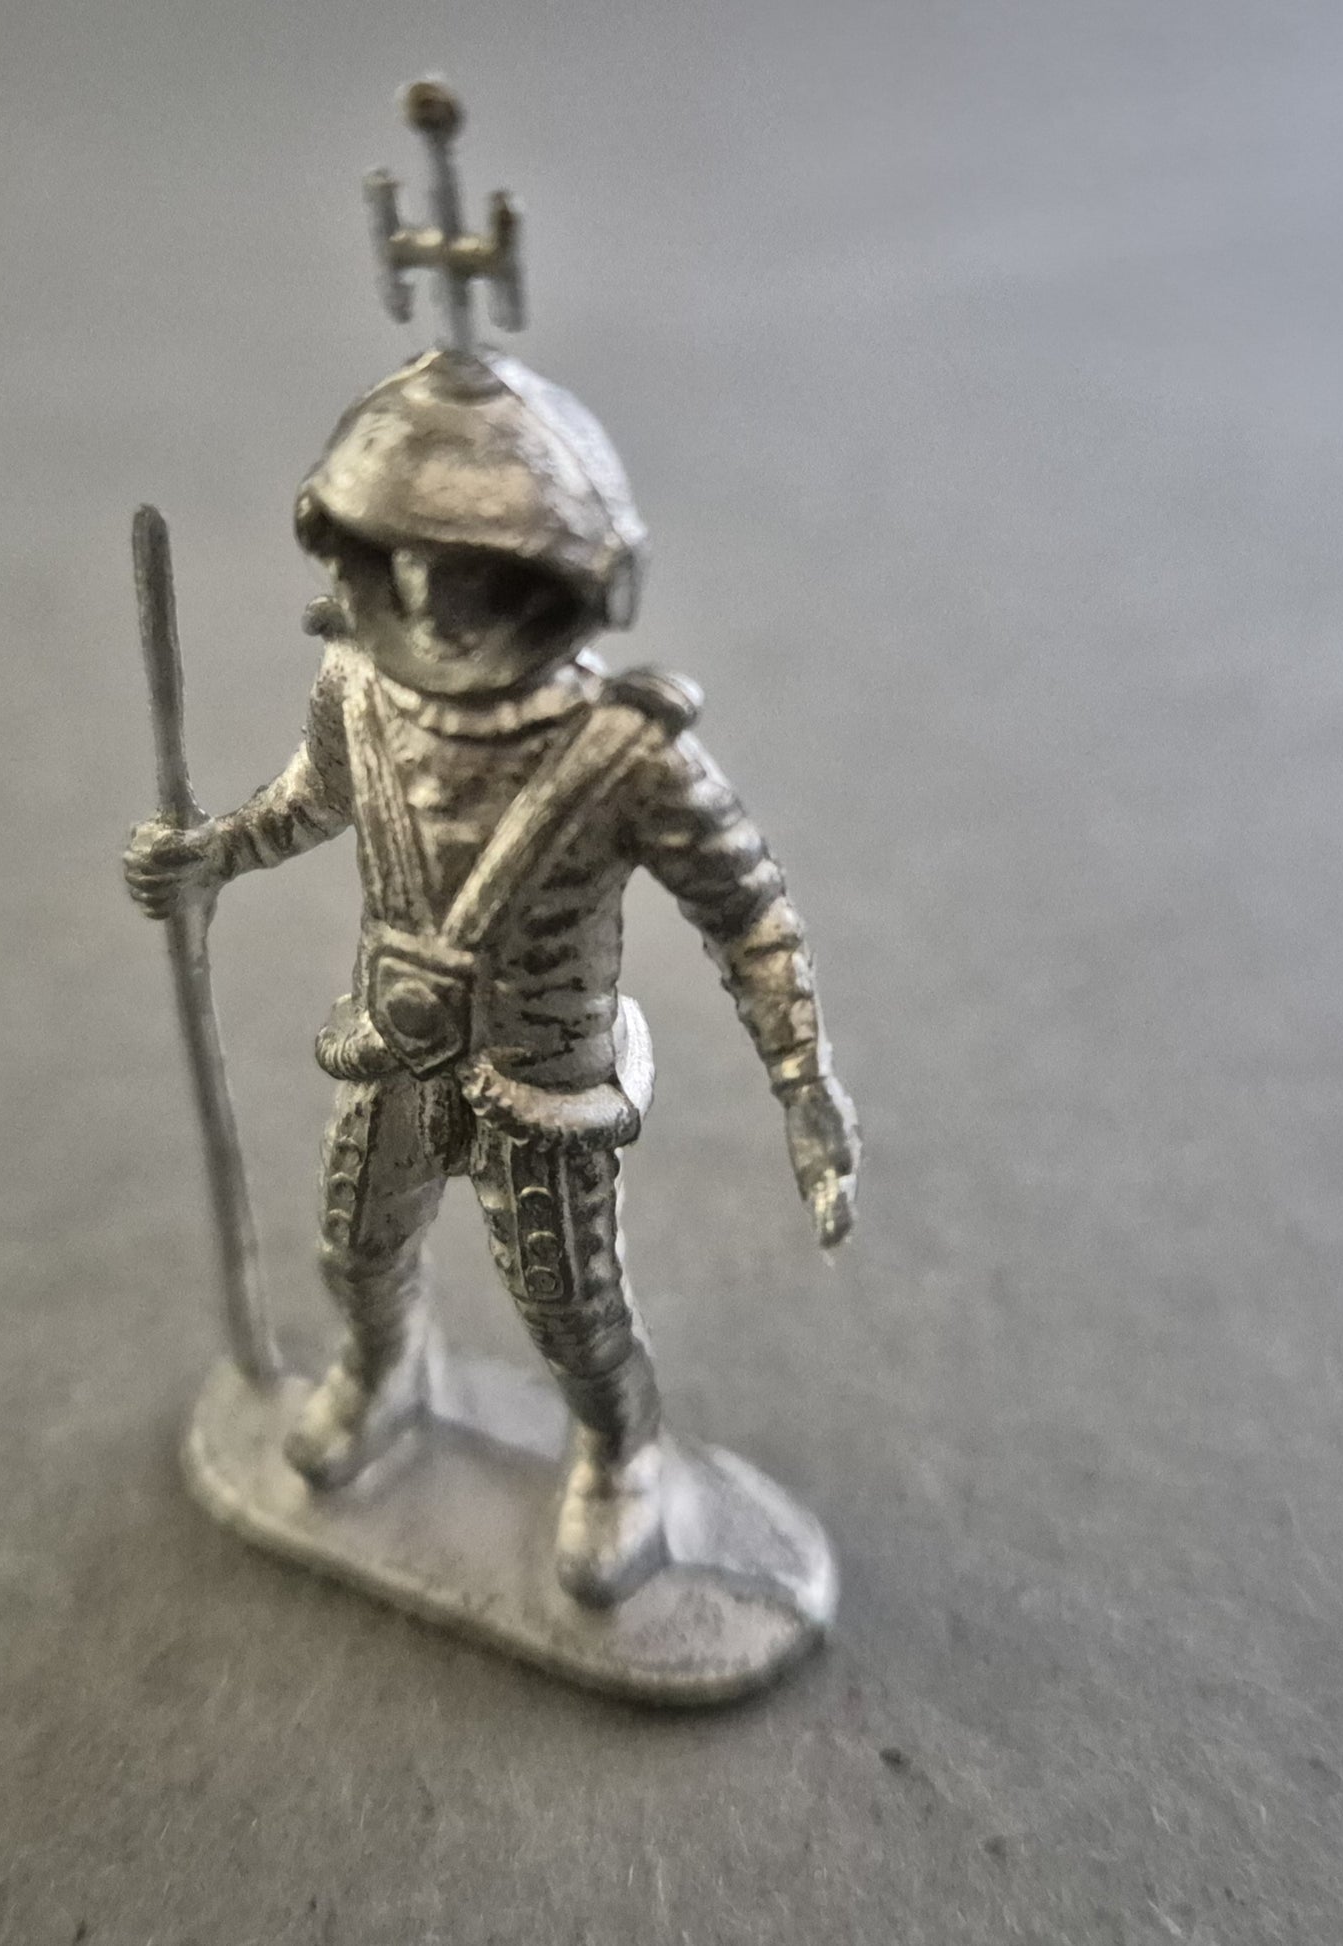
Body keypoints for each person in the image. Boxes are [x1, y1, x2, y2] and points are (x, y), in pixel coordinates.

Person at [125, 344, 859, 1606]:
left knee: (570, 1313)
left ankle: (620, 1457)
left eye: (463, 563)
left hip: (544, 1085)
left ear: (544, 576)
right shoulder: (356, 690)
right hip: (395, 1053)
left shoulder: (627, 753)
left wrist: (803, 1082)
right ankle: (381, 1372)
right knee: (355, 1254)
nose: (428, 589)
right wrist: (210, 856)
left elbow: (746, 913)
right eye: (402, 555)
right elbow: (309, 803)